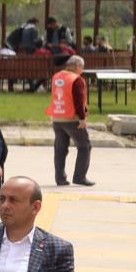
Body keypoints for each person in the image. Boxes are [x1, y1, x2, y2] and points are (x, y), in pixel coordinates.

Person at [46, 54, 93, 187]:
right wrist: (82, 117)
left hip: (57, 118)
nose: (82, 70)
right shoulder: (76, 80)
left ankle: (60, 178)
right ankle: (80, 177)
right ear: (77, 66)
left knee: (60, 149)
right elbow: (78, 101)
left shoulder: (56, 76)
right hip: (72, 119)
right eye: (82, 67)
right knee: (84, 147)